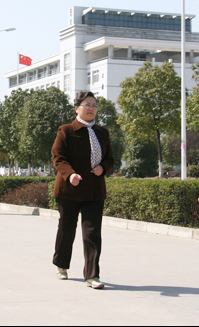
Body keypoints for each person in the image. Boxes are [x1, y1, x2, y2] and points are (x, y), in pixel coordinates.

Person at [51, 91, 115, 289]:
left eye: (94, 105)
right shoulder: (66, 131)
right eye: (87, 105)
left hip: (94, 191)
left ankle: (92, 275)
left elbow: (110, 159)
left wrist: (103, 168)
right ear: (76, 108)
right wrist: (70, 174)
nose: (91, 109)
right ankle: (62, 265)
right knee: (67, 229)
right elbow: (58, 156)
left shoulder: (102, 133)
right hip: (69, 189)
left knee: (92, 233)